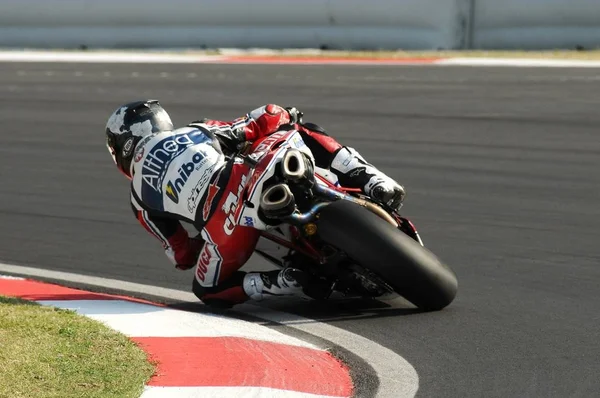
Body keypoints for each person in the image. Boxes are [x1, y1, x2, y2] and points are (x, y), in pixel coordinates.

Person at [105, 100, 405, 308]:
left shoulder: (139, 198)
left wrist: (200, 236)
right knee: (301, 130)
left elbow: (182, 257)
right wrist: (285, 114)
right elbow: (252, 124)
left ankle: (286, 281)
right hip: (248, 175)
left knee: (207, 290)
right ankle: (373, 181)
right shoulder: (195, 130)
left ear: (126, 145)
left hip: (228, 228)